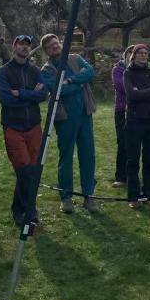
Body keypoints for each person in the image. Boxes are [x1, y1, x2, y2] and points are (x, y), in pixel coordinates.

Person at [40, 33, 97, 213]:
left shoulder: (75, 58)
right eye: (51, 46)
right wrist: (78, 82)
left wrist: (71, 80)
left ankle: (89, 195)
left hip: (84, 114)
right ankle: (66, 198)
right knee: (66, 157)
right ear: (46, 51)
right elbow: (58, 90)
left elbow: (90, 72)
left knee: (88, 155)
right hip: (65, 118)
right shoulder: (46, 70)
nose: (55, 47)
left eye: (56, 43)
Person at [0, 35, 48, 227]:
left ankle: (19, 209)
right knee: (23, 170)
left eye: (27, 45)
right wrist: (31, 94)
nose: (25, 48)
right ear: (14, 46)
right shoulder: (4, 72)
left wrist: (21, 93)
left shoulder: (35, 70)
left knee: (32, 171)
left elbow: (42, 95)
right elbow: (5, 99)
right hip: (13, 127)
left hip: (33, 126)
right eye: (21, 44)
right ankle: (30, 212)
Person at [123, 44, 150, 207]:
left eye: (146, 53)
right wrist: (148, 92)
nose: (143, 56)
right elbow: (131, 94)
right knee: (133, 160)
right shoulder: (128, 73)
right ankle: (133, 196)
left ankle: (148, 193)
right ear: (134, 55)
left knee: (149, 159)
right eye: (140, 53)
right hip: (133, 121)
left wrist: (141, 92)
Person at [111, 47, 134, 187]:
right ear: (125, 55)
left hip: (137, 110)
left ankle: (133, 175)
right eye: (130, 53)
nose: (132, 56)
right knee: (122, 142)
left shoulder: (141, 70)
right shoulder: (117, 69)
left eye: (134, 53)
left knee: (135, 143)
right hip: (121, 110)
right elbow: (122, 87)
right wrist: (135, 88)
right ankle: (120, 176)